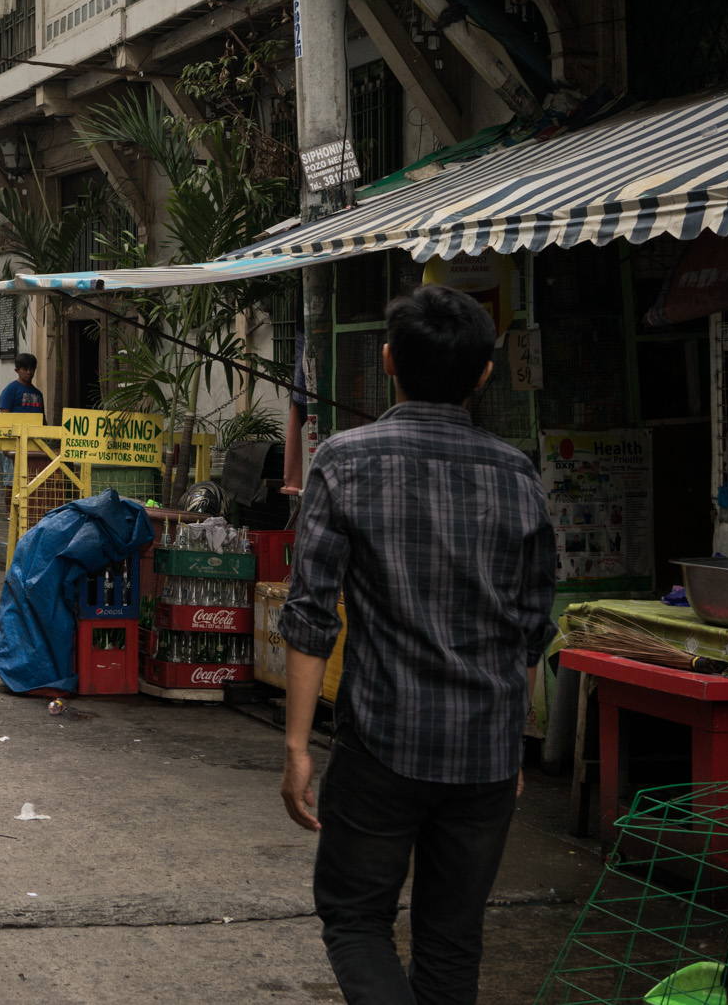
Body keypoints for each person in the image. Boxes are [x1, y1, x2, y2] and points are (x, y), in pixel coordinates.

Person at [279, 285, 554, 1005]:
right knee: (452, 942)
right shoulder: (519, 477)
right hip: (485, 752)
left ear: (388, 361)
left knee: (355, 919)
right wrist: (513, 742)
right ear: (485, 374)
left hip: (382, 742)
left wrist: (298, 747)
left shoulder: (343, 462)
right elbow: (531, 624)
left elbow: (311, 614)